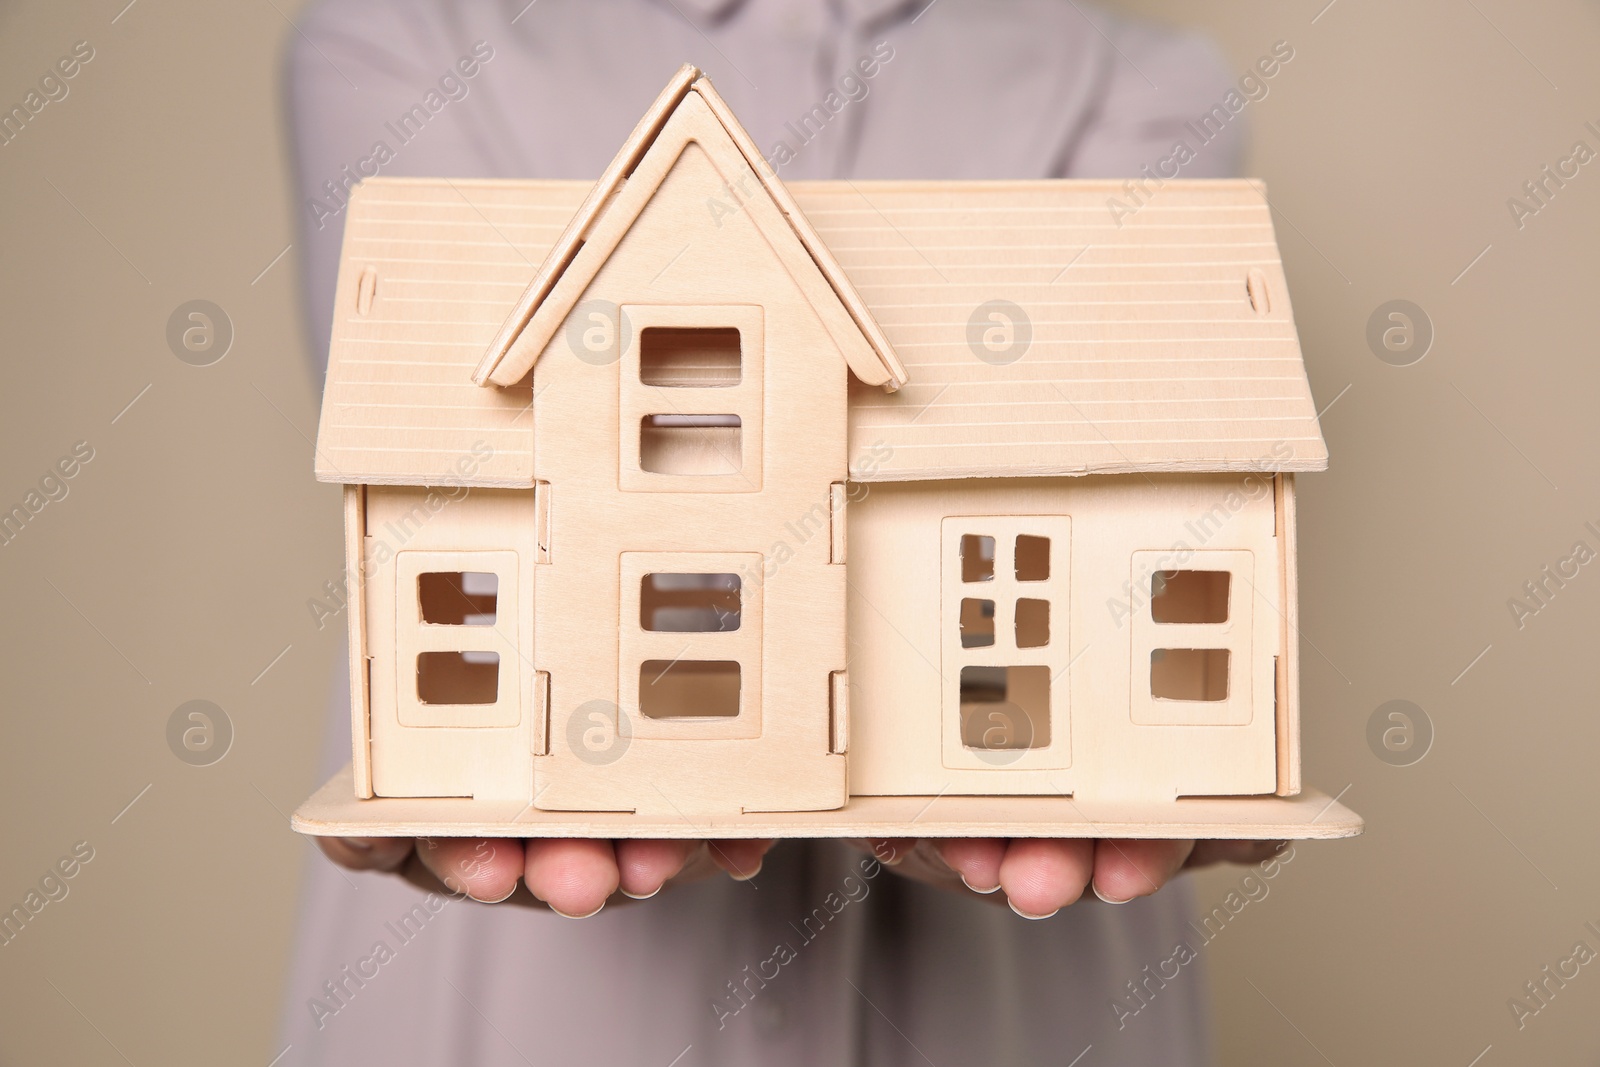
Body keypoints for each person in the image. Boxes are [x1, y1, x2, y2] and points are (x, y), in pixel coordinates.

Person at [280, 2, 1277, 1062]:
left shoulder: (1137, 81)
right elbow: (435, 447)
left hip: (1019, 1003)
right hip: (514, 1008)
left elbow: (1126, 463)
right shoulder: (404, 34)